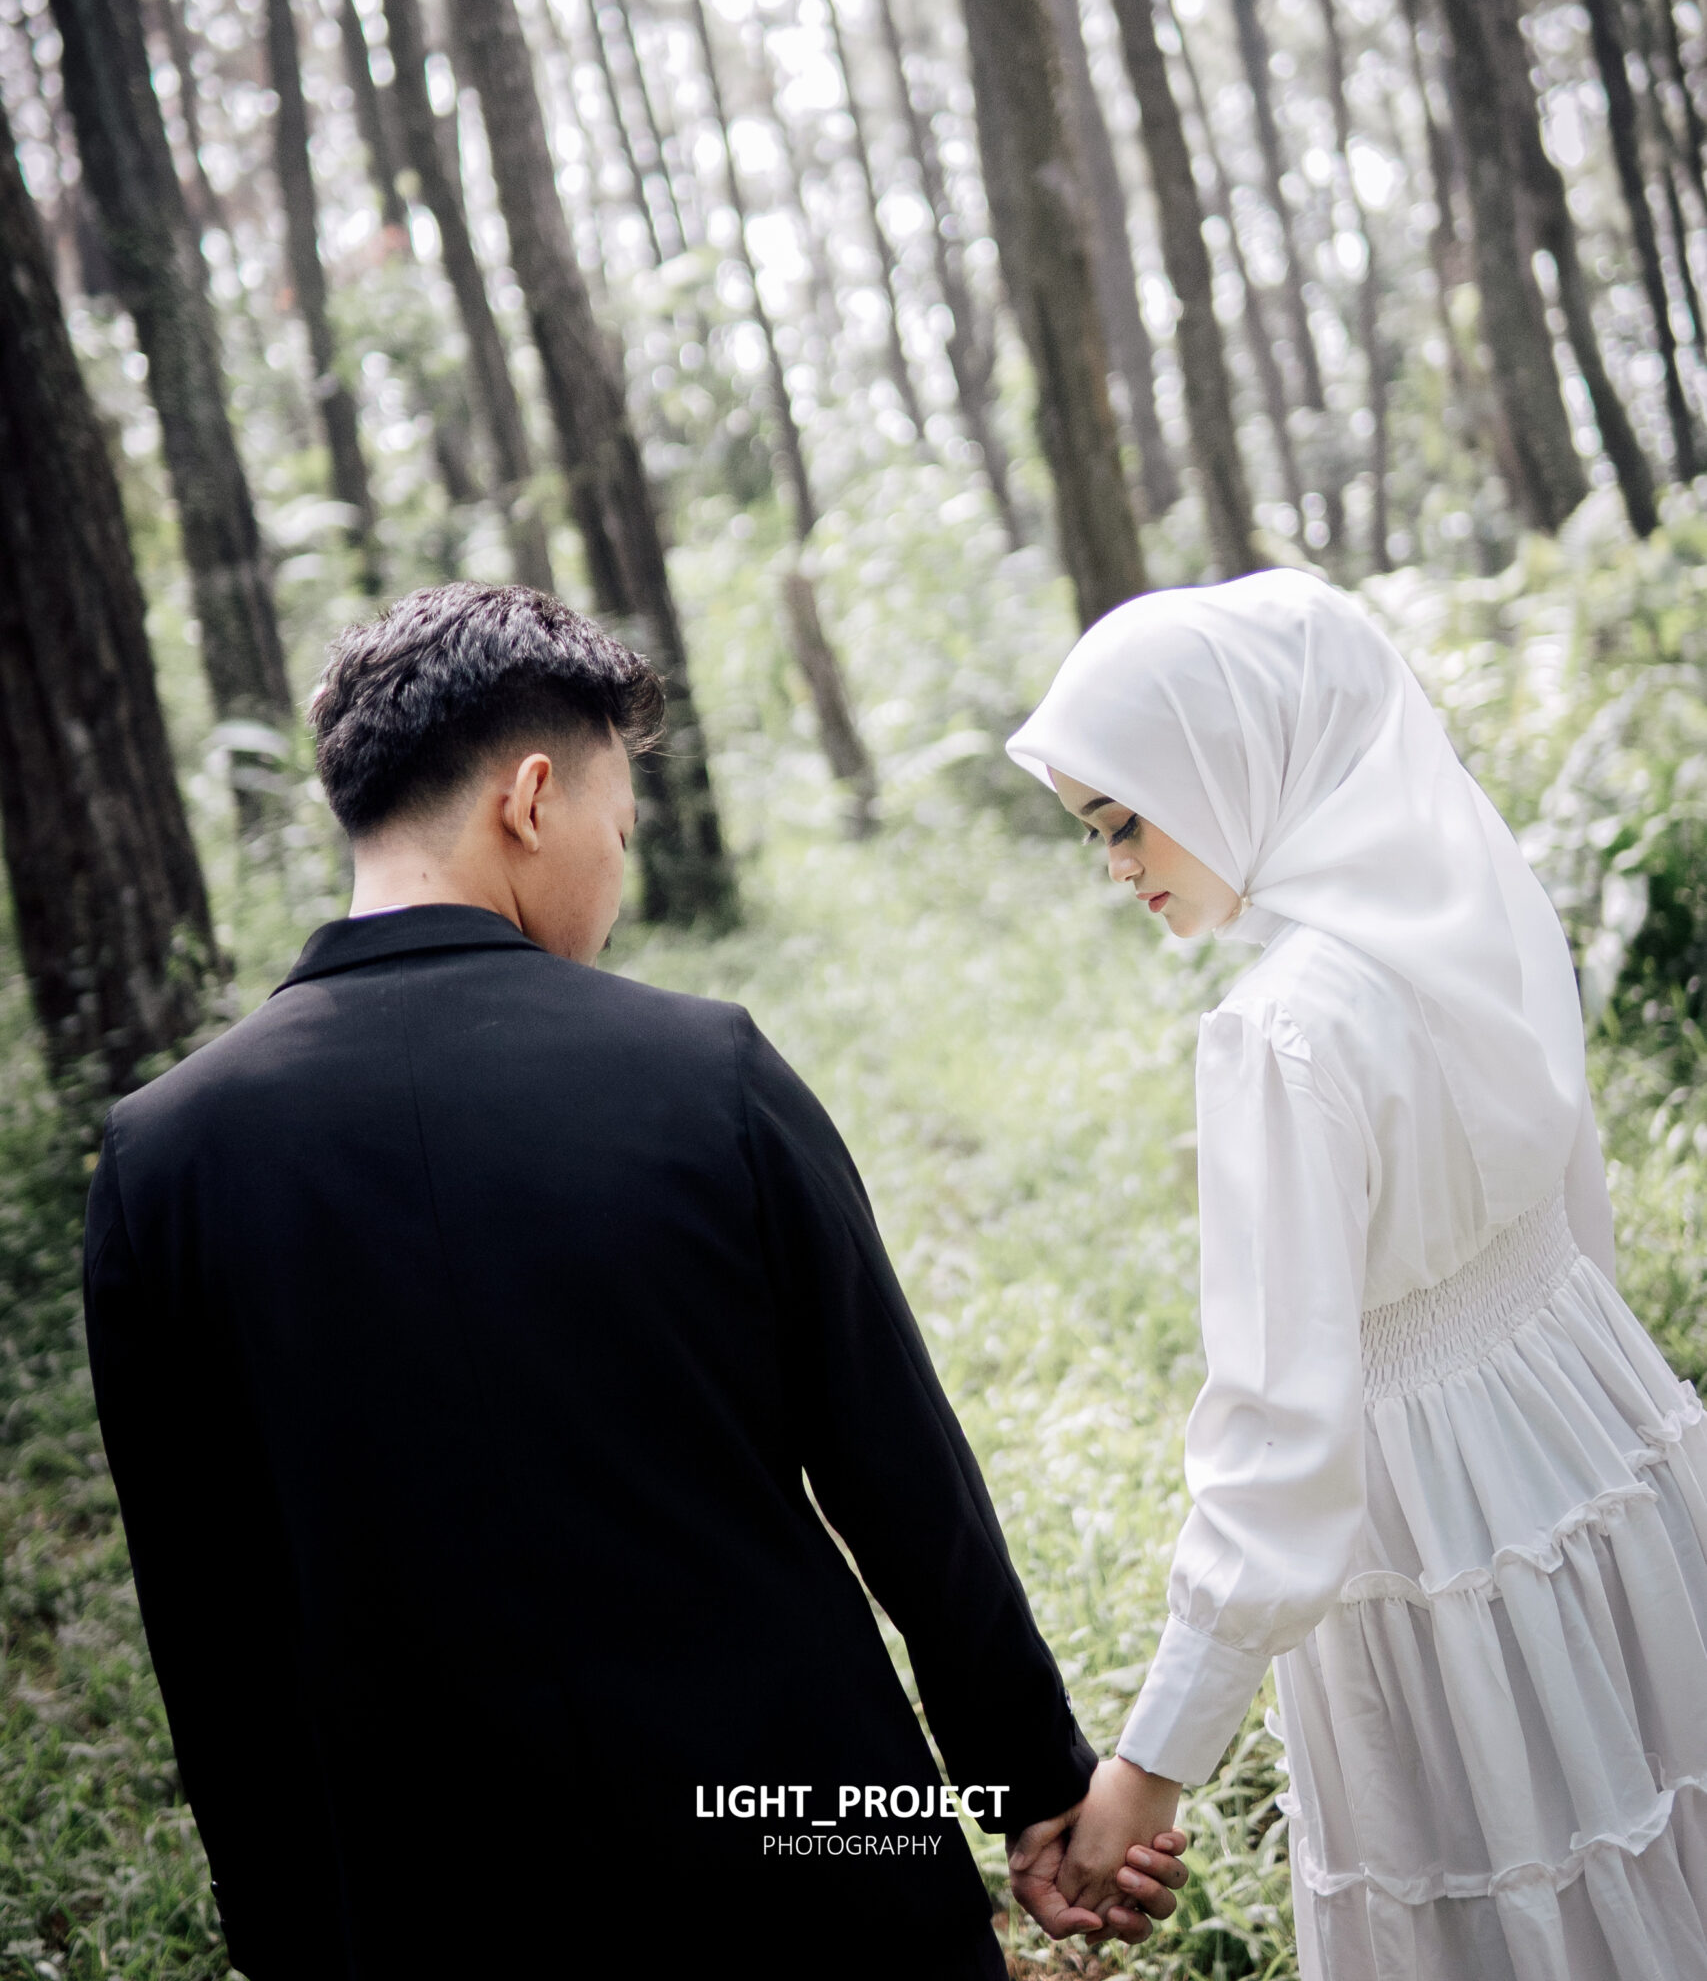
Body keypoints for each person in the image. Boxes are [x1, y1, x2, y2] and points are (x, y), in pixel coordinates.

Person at [83, 582, 1185, 1981]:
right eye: (620, 829)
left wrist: (290, 1932)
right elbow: (905, 1486)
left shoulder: (164, 1159)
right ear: (532, 798)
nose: (616, 876)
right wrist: (1033, 1783)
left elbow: (208, 1622)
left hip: (429, 1897)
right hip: (806, 1845)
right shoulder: (707, 1074)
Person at [1005, 567, 1707, 1980]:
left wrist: (1151, 1763)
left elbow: (1284, 1442)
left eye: (1126, 819)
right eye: (1095, 833)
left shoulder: (1285, 1030)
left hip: (1441, 1542)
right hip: (1616, 1454)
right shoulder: (1472, 897)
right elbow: (1576, 1207)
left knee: (1520, 1900)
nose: (1117, 868)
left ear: (1233, 761)